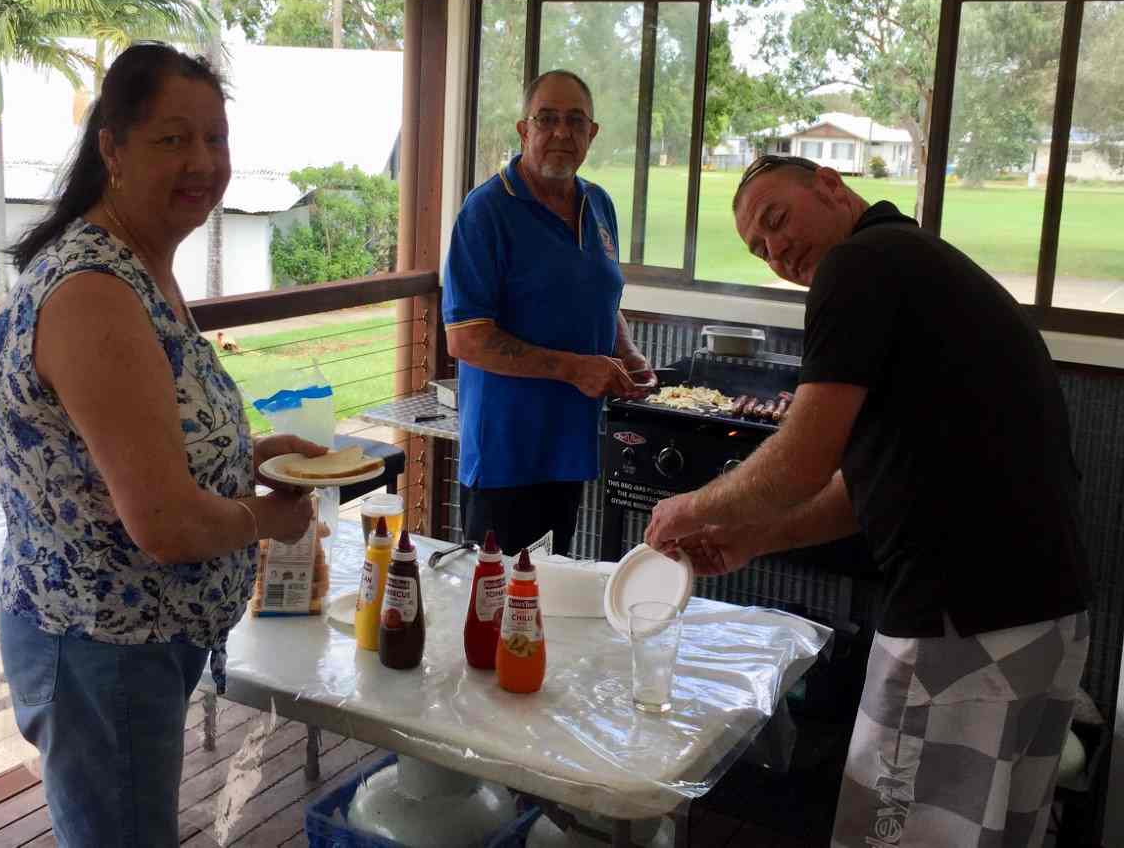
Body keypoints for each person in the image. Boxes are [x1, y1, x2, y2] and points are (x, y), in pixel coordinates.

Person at [645, 154, 1093, 848]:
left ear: (831, 185)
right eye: (760, 250)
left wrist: (692, 508)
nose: (777, 251)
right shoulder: (913, 264)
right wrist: (757, 538)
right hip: (1045, 615)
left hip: (961, 617)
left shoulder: (858, 266)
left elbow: (801, 461)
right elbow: (868, 487)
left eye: (776, 220)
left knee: (894, 833)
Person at [0, 43, 324, 848]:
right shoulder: (94, 292)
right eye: (173, 139)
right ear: (113, 147)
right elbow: (164, 522)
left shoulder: (140, 267)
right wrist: (270, 519)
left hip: (137, 645)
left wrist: (251, 456)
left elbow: (140, 444)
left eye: (215, 138)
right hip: (101, 649)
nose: (202, 161)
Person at [443, 70, 654, 555]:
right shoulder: (486, 211)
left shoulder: (598, 204)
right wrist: (575, 368)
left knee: (549, 590)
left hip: (569, 449)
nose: (562, 132)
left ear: (591, 134)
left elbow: (600, 296)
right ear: (524, 129)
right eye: (547, 119)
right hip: (505, 459)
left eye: (576, 121)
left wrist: (626, 352)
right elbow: (466, 338)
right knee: (500, 594)